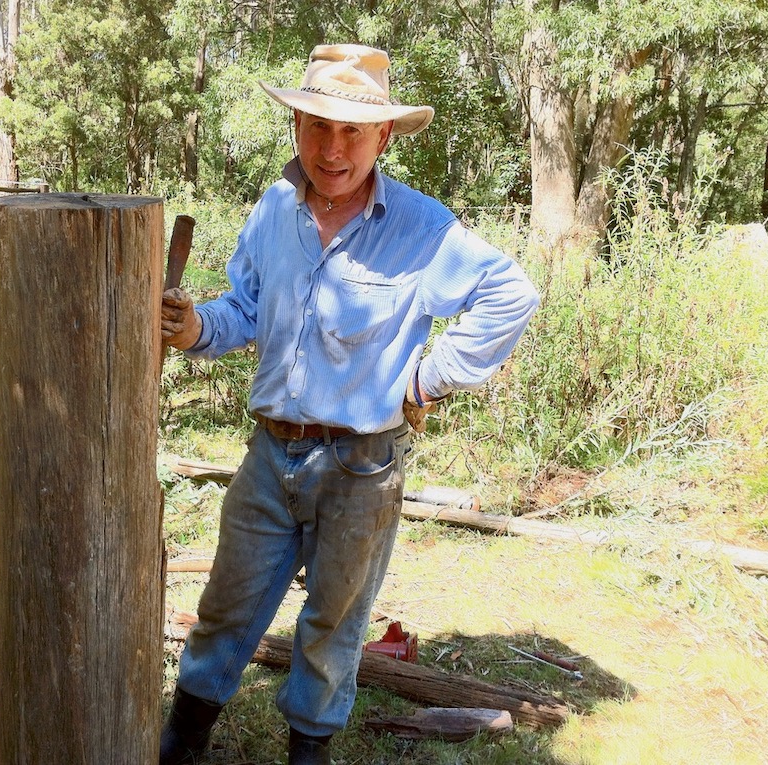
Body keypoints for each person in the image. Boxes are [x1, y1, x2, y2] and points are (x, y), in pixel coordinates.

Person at [159, 44, 539, 765]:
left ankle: (309, 752)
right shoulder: (274, 209)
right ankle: (181, 745)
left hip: (364, 466)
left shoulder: (424, 229)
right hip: (271, 455)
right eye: (316, 126)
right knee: (223, 608)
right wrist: (194, 326)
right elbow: (244, 307)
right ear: (296, 124)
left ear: (384, 136)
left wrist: (424, 381)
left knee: (335, 623)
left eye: (352, 131)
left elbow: (511, 295)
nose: (331, 148)